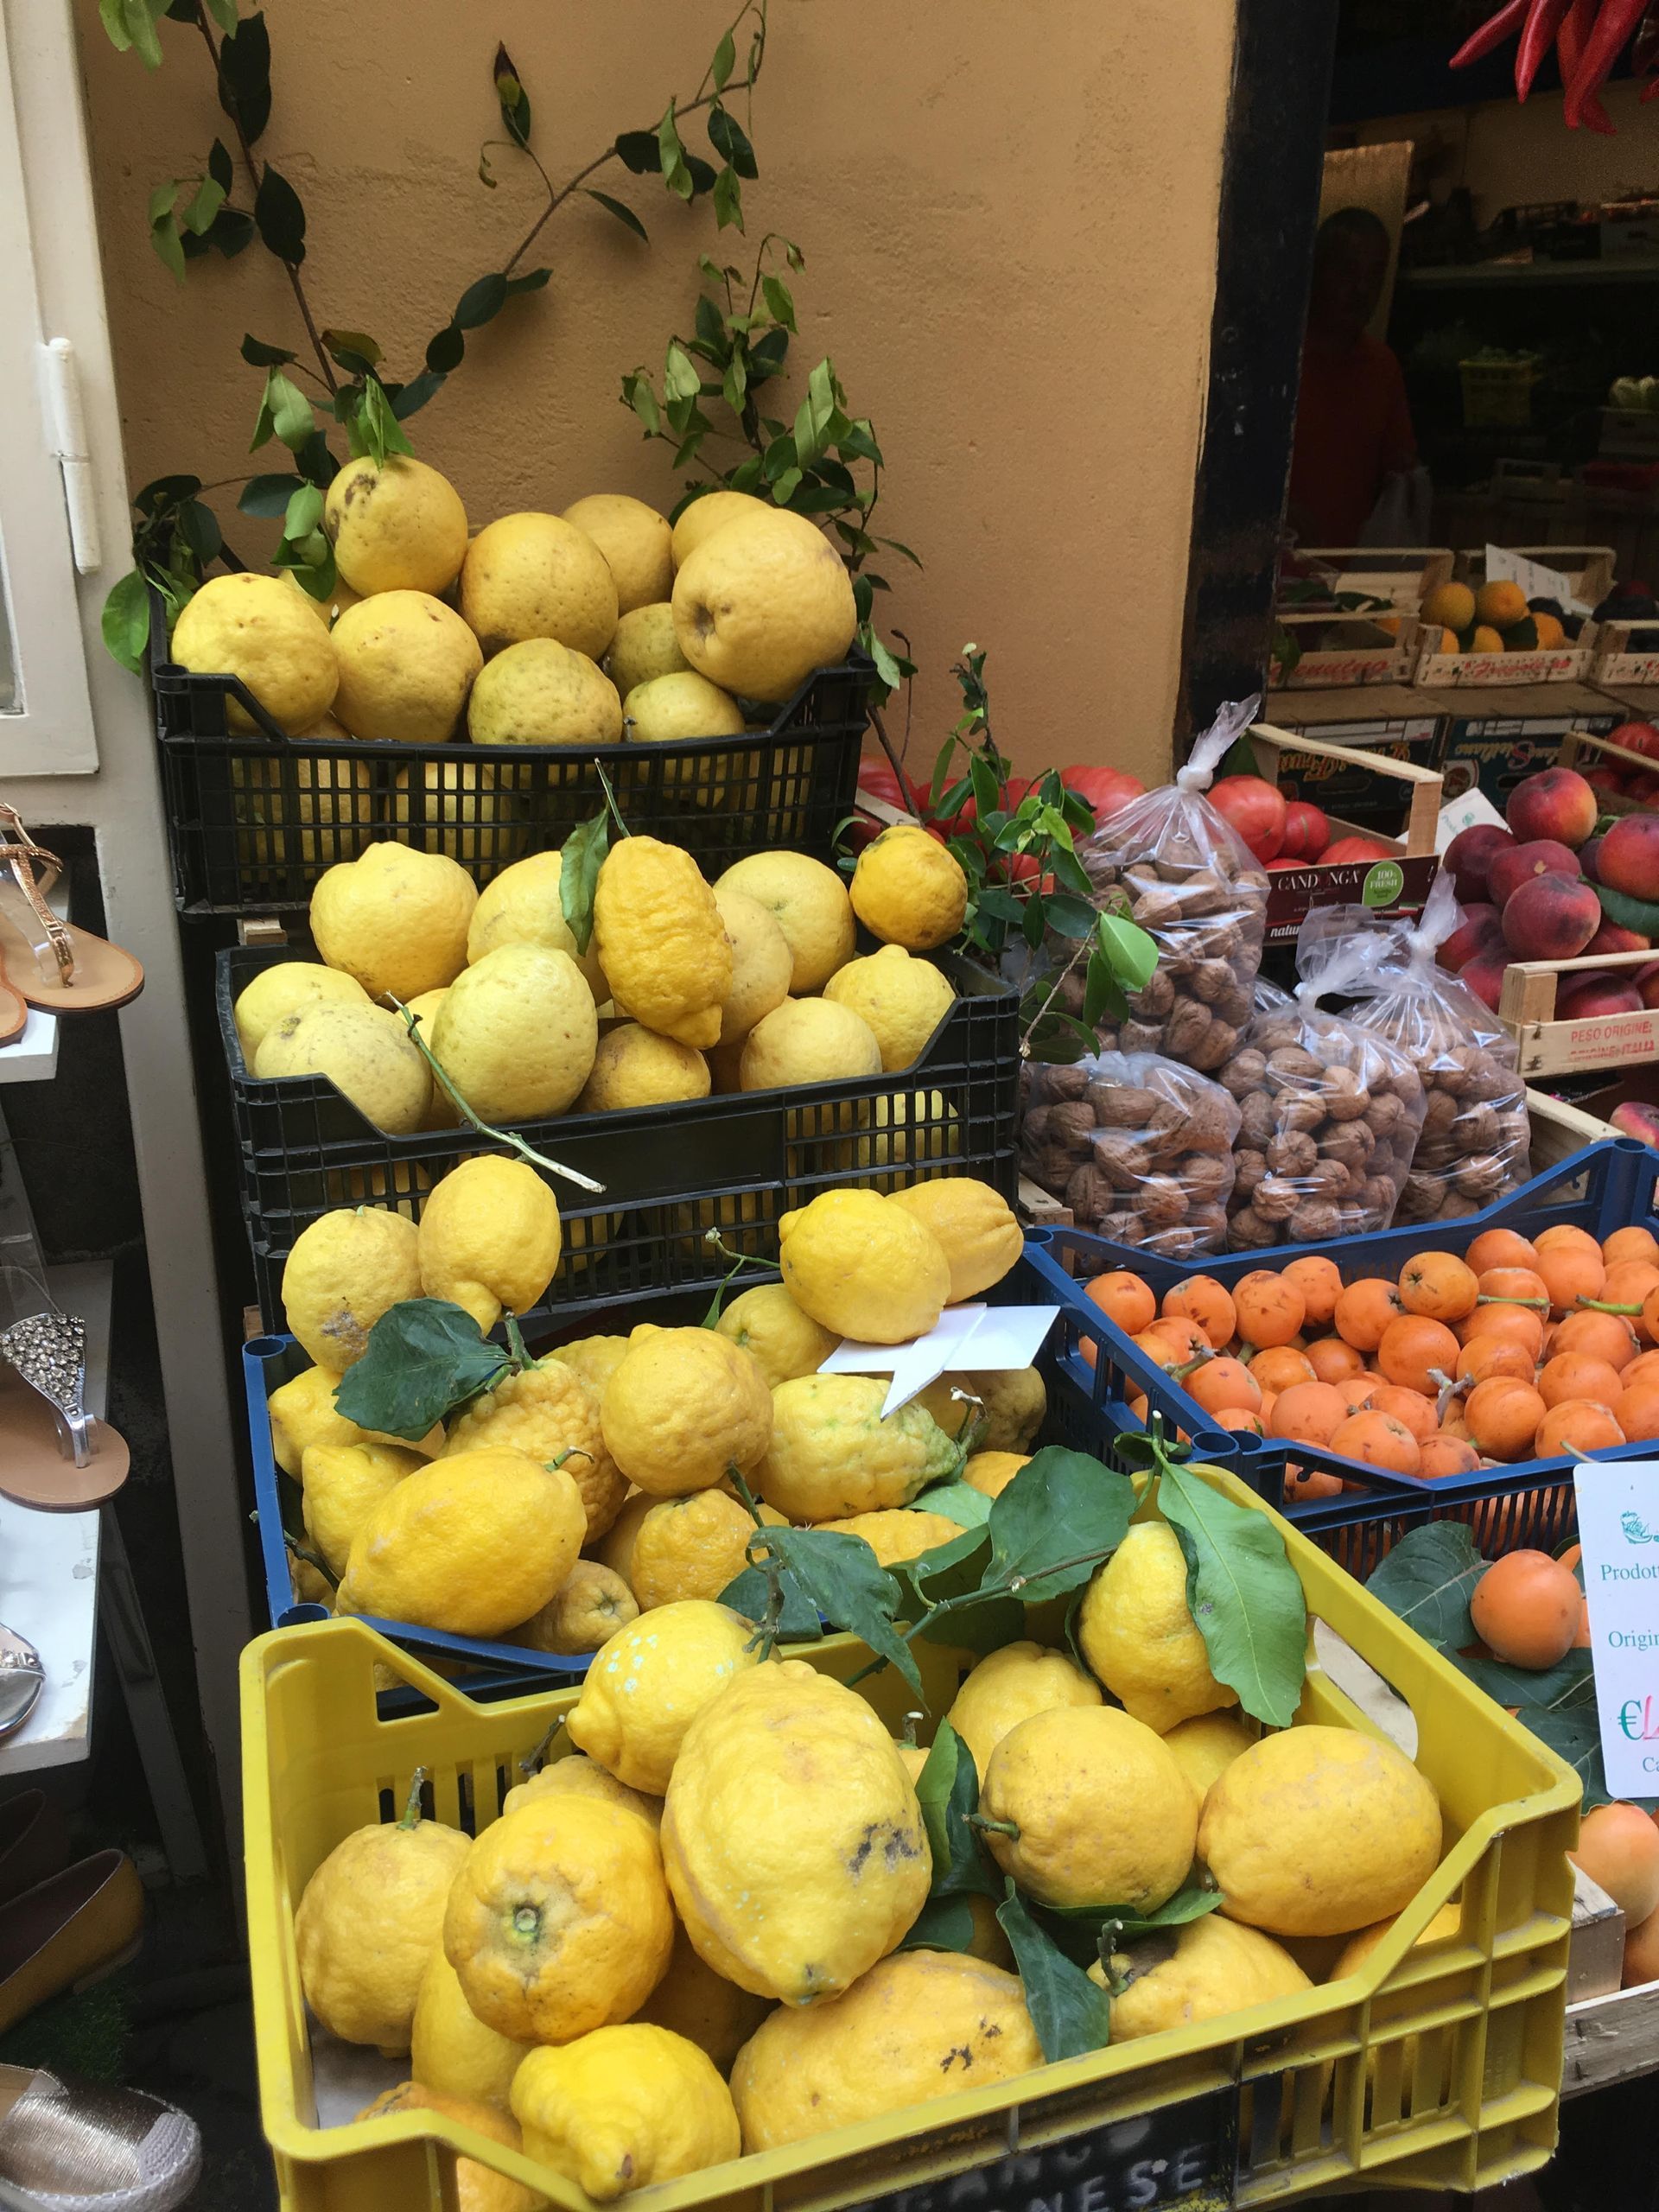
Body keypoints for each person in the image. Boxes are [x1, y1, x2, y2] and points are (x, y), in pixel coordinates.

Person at [1287, 206, 1419, 547]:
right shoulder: (1277, 364)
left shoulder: (1382, 367)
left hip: (1348, 569)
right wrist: (1275, 511)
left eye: (1375, 275)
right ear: (1316, 269)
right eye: (1347, 271)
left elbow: (1400, 473)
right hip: (1276, 562)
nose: (1362, 289)